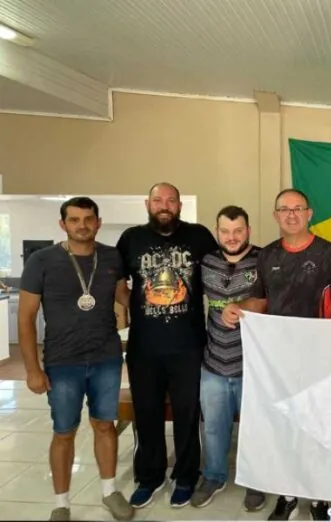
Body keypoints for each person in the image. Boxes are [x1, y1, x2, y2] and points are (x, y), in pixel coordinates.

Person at [221, 188, 331, 521]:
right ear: (276, 215)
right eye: (284, 209)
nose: (291, 214)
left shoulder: (330, 253)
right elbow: (259, 302)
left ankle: (321, 499)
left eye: (298, 208)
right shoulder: (267, 256)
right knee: (286, 428)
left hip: (320, 358)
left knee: (321, 429)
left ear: (310, 214)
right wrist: (237, 307)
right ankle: (288, 495)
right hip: (278, 361)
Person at [18, 197, 133, 522]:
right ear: (63, 224)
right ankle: (62, 503)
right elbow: (25, 318)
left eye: (88, 219)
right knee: (64, 431)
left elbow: (124, 295)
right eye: (74, 220)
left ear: (98, 222)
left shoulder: (111, 257)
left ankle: (110, 491)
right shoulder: (42, 261)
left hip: (106, 358)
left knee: (104, 426)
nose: (82, 225)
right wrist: (32, 370)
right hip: (62, 361)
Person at [116, 182, 217, 509]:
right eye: (158, 200)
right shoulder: (131, 238)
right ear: (148, 203)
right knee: (147, 413)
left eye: (171, 200)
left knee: (188, 414)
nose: (164, 205)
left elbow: (219, 276)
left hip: (189, 345)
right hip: (144, 346)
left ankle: (186, 476)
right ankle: (151, 476)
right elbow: (118, 284)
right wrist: (132, 305)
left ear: (179, 206)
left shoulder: (199, 236)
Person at [190, 205, 266, 511]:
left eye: (238, 230)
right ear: (217, 231)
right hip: (213, 361)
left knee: (255, 427)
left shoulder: (265, 259)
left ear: (248, 230)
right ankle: (213, 476)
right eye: (225, 231)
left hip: (253, 363)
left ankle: (255, 481)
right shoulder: (205, 260)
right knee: (213, 426)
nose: (231, 237)